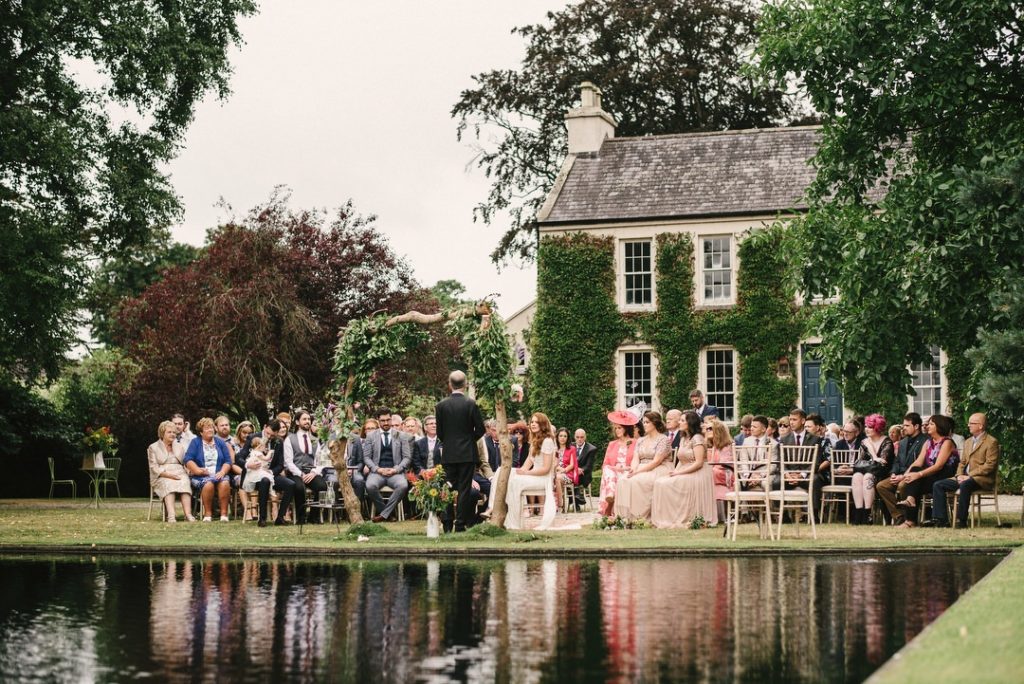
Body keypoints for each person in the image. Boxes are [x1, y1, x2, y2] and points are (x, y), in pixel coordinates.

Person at [926, 413, 1000, 528]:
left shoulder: (991, 442)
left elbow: (990, 466)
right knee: (938, 485)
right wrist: (959, 474)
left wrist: (969, 475)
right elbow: (962, 462)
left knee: (965, 485)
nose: (968, 425)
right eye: (969, 423)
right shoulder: (968, 442)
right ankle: (941, 520)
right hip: (964, 477)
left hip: (982, 479)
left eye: (971, 423)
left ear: (980, 426)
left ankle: (962, 521)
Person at [435, 370, 486, 532]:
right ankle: (460, 524)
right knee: (464, 488)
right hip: (467, 454)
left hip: (449, 454)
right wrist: (470, 439)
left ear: (450, 385)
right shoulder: (470, 404)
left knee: (447, 487)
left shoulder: (441, 405)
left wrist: (449, 442)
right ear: (465, 384)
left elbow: (440, 433)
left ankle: (447, 523)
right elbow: (481, 429)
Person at [652, 411, 718, 528]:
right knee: (660, 482)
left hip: (698, 472)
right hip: (684, 470)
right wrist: (673, 472)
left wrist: (679, 473)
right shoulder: (684, 438)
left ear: (690, 423)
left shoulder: (697, 438)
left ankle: (682, 516)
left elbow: (698, 463)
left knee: (667, 484)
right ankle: (669, 517)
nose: (679, 422)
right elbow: (681, 460)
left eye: (682, 420)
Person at [897, 415, 960, 528]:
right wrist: (905, 475)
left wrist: (919, 474)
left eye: (931, 424)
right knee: (913, 478)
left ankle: (910, 520)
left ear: (939, 426)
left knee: (915, 479)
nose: (927, 426)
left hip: (944, 475)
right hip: (930, 475)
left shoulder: (947, 442)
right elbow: (918, 462)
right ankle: (910, 512)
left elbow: (939, 466)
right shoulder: (928, 442)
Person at [502, 412, 557, 530]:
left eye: (536, 422)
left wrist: (526, 473)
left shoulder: (547, 441)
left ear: (543, 424)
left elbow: (546, 469)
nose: (533, 424)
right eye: (532, 422)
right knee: (504, 473)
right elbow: (529, 462)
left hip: (543, 479)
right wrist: (519, 471)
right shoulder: (534, 440)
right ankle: (494, 509)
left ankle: (514, 522)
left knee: (515, 482)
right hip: (534, 476)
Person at [614, 411, 673, 521]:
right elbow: (636, 458)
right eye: (644, 422)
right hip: (641, 467)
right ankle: (624, 516)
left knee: (637, 481)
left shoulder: (663, 439)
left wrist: (638, 472)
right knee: (623, 480)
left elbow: (656, 461)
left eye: (647, 422)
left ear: (654, 423)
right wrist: (633, 469)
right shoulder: (641, 440)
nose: (644, 424)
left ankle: (638, 517)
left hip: (659, 468)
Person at [838, 413, 893, 524]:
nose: (867, 429)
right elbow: (859, 463)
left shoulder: (887, 442)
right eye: (866, 426)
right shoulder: (865, 442)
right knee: (857, 476)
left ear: (877, 428)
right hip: (866, 472)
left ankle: (868, 514)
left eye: (870, 427)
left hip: (882, 475)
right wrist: (874, 458)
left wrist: (873, 456)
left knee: (867, 477)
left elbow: (881, 465)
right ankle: (859, 513)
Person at [363, 407, 413, 523]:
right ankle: (387, 514)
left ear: (391, 419)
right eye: (383, 420)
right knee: (370, 486)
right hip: (377, 472)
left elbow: (407, 457)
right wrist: (378, 469)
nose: (386, 423)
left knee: (403, 485)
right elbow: (366, 457)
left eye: (388, 420)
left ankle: (383, 515)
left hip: (395, 472)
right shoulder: (371, 436)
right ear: (378, 421)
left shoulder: (401, 436)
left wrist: (396, 469)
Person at [876, 413, 927, 525]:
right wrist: (893, 473)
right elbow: (897, 460)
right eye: (903, 425)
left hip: (914, 476)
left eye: (907, 425)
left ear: (917, 426)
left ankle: (910, 518)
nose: (904, 428)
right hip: (899, 474)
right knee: (881, 486)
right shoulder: (903, 442)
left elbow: (919, 463)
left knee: (902, 485)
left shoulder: (925, 441)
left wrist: (902, 476)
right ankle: (899, 516)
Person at [283, 409, 329, 524]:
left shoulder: (315, 439)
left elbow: (320, 460)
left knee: (322, 486)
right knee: (298, 487)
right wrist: (301, 474)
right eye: (304, 419)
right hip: (295, 472)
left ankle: (314, 516)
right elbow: (288, 462)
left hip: (311, 471)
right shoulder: (290, 439)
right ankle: (301, 517)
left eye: (308, 419)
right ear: (297, 422)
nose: (307, 421)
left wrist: (314, 472)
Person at [182, 417, 233, 522]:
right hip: (200, 476)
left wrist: (222, 472)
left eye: (211, 428)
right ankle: (208, 514)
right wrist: (197, 470)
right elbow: (188, 459)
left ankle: (224, 514)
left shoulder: (220, 443)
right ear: (201, 432)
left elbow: (228, 461)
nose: (210, 430)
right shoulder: (195, 442)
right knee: (208, 484)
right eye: (206, 428)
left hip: (218, 473)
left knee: (224, 483)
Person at [148, 420, 194, 522]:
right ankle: (171, 516)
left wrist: (189, 471)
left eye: (174, 432)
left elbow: (185, 463)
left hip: (179, 472)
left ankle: (188, 514)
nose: (172, 434)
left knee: (185, 482)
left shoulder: (179, 446)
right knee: (169, 483)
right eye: (169, 432)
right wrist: (170, 476)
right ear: (162, 433)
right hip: (162, 475)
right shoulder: (153, 447)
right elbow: (154, 467)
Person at [599, 413, 637, 515]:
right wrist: (615, 468)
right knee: (607, 469)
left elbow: (637, 462)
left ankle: (610, 502)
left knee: (612, 474)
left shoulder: (635, 443)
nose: (617, 430)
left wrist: (624, 468)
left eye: (619, 428)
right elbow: (605, 464)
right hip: (613, 471)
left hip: (627, 471)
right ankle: (610, 494)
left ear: (626, 428)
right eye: (615, 428)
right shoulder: (612, 444)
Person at [241, 436, 275, 523]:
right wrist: (270, 453)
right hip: (258, 473)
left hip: (253, 474)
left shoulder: (253, 453)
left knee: (267, 478)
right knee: (267, 478)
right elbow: (266, 459)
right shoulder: (258, 453)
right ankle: (271, 491)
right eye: (264, 446)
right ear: (259, 446)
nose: (265, 448)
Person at [706, 418, 735, 511]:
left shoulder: (726, 446)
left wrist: (711, 468)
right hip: (716, 472)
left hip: (726, 474)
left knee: (706, 473)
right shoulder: (713, 445)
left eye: (710, 428)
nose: (707, 431)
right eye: (706, 429)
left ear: (717, 430)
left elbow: (725, 464)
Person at [554, 427, 580, 509]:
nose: (562, 438)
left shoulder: (572, 449)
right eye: (561, 436)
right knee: (553, 478)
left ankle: (560, 504)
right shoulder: (554, 449)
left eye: (565, 436)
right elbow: (552, 463)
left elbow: (572, 464)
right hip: (555, 471)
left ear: (568, 438)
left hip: (568, 474)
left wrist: (563, 470)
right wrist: (557, 468)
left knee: (557, 478)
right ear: (557, 437)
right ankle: (553, 504)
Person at [572, 428, 597, 510]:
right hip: (572, 472)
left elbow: (589, 466)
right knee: (568, 478)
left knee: (574, 478)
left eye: (582, 437)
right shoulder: (570, 446)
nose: (579, 439)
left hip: (584, 475)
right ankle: (578, 497)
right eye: (577, 437)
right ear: (574, 437)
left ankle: (576, 500)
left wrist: (579, 470)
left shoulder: (591, 449)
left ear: (585, 437)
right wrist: (575, 470)